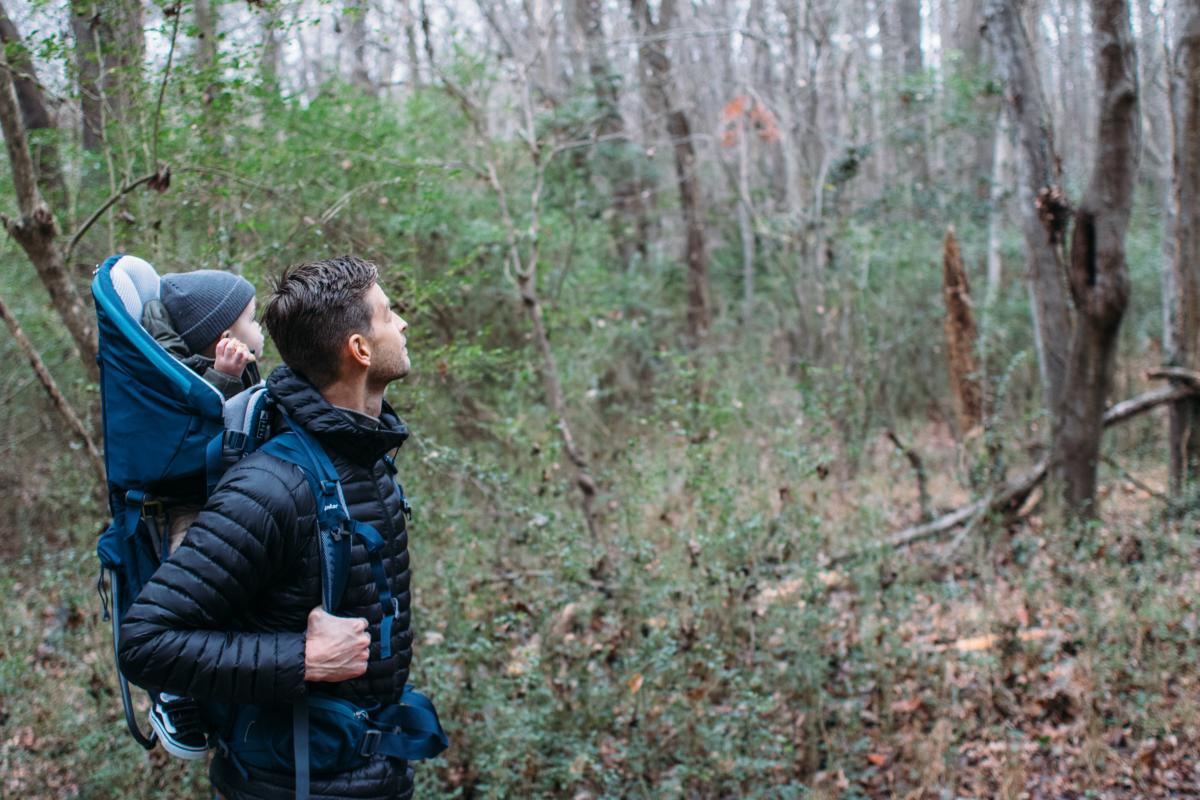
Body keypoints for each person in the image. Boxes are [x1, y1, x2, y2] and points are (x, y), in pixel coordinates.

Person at [119, 255, 420, 799]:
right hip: (289, 783)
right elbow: (146, 642)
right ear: (359, 349)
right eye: (387, 313)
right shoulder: (273, 487)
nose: (402, 323)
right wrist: (302, 658)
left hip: (368, 774)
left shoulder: (366, 457)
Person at [142, 268, 265, 401]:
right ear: (227, 342)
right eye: (252, 319)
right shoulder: (192, 399)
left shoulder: (244, 375)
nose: (259, 326)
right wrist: (225, 379)